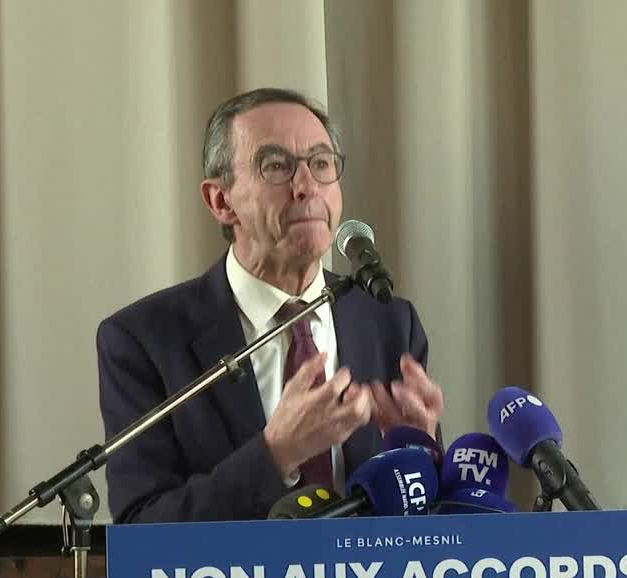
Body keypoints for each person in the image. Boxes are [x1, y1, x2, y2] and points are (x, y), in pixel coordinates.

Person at [96, 87, 444, 525]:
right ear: (220, 200)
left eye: (321, 163)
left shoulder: (389, 321)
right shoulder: (143, 340)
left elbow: (433, 523)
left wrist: (419, 453)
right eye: (276, 166)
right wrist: (276, 454)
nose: (307, 187)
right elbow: (142, 529)